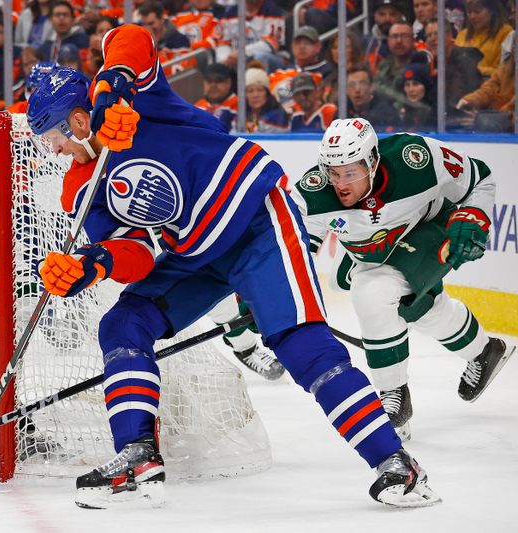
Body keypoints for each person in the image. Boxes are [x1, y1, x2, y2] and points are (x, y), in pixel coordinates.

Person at [26, 25, 439, 509]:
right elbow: (134, 252)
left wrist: (113, 86)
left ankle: (396, 465)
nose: (50, 149)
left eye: (52, 135)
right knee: (124, 322)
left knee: (301, 344)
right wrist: (92, 265)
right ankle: (137, 458)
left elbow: (130, 35)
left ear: (77, 119)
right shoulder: (79, 186)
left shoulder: (136, 100)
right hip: (196, 250)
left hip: (257, 219)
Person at [291, 117, 514, 441]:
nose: (340, 183)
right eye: (334, 172)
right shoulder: (312, 194)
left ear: (372, 161)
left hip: (429, 229)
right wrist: (268, 293)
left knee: (372, 293)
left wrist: (474, 214)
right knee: (413, 308)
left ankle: (392, 394)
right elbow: (293, 249)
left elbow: (479, 177)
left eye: (350, 172)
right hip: (374, 250)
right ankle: (483, 351)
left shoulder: (416, 158)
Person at [455, 0, 512, 77]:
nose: (472, 16)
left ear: (492, 10)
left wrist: (475, 70)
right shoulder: (462, 34)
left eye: (477, 12)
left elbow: (506, 71)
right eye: (469, 12)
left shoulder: (506, 33)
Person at [346, 64, 400, 130]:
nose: (357, 89)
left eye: (362, 83)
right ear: (346, 90)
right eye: (352, 85)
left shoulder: (385, 112)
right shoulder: (343, 110)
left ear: (371, 87)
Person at [243, 63, 290, 132]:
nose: (255, 95)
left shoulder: (278, 116)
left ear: (267, 93)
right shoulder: (239, 116)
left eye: (260, 90)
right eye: (250, 91)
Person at [193, 63, 238, 132]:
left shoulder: (240, 106)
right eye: (209, 81)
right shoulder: (197, 107)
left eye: (218, 80)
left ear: (229, 83)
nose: (213, 85)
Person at [397, 61, 436, 131]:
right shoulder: (399, 113)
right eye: (407, 85)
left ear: (426, 86)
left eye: (416, 84)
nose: (411, 90)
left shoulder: (437, 114)